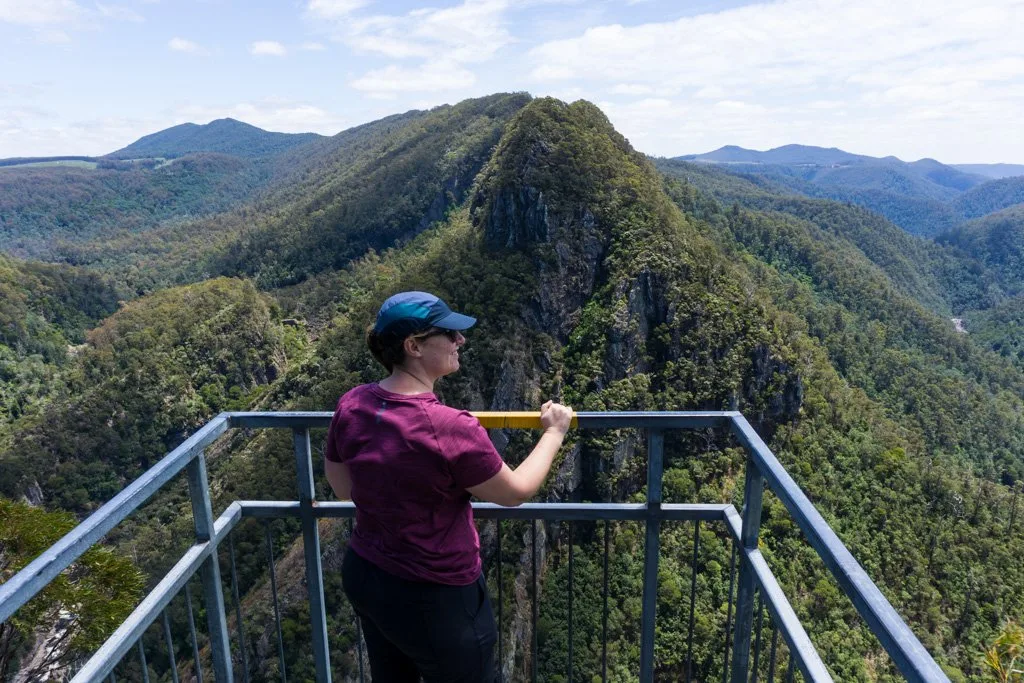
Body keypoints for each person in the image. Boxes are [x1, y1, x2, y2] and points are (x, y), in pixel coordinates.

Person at [324, 291, 573, 683]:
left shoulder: (352, 405)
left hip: (368, 576)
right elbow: (515, 492)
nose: (461, 340)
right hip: (436, 596)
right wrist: (555, 431)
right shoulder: (449, 426)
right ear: (414, 346)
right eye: (450, 334)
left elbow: (341, 487)